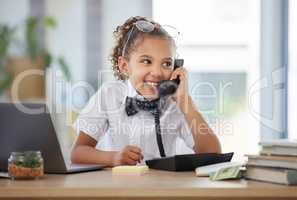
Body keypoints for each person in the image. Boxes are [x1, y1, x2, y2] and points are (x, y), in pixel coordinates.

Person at [71, 16, 221, 167]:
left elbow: (213, 154)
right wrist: (114, 158)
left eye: (167, 63)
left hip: (162, 188)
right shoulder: (109, 95)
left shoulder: (175, 104)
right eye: (146, 61)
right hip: (120, 187)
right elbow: (78, 152)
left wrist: (185, 101)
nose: (157, 72)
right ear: (124, 66)